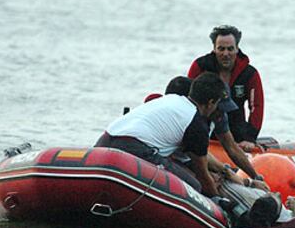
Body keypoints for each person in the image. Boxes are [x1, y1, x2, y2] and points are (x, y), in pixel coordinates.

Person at [95, 72, 226, 197]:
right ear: (211, 103)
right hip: (136, 148)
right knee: (194, 186)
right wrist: (217, 198)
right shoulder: (196, 123)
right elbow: (202, 175)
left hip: (106, 140)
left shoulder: (171, 99)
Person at [164, 76, 268, 186]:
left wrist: (255, 176)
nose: (222, 114)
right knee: (198, 184)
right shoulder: (194, 122)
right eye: (219, 107)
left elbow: (232, 147)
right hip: (169, 156)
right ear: (210, 103)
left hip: (189, 156)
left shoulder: (218, 115)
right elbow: (201, 169)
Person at [188, 25, 264, 152]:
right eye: (221, 49)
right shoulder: (200, 67)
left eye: (230, 49)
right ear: (214, 49)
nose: (226, 54)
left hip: (237, 134)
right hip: (204, 130)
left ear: (237, 49)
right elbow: (188, 100)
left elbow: (256, 106)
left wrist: (250, 138)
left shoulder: (250, 73)